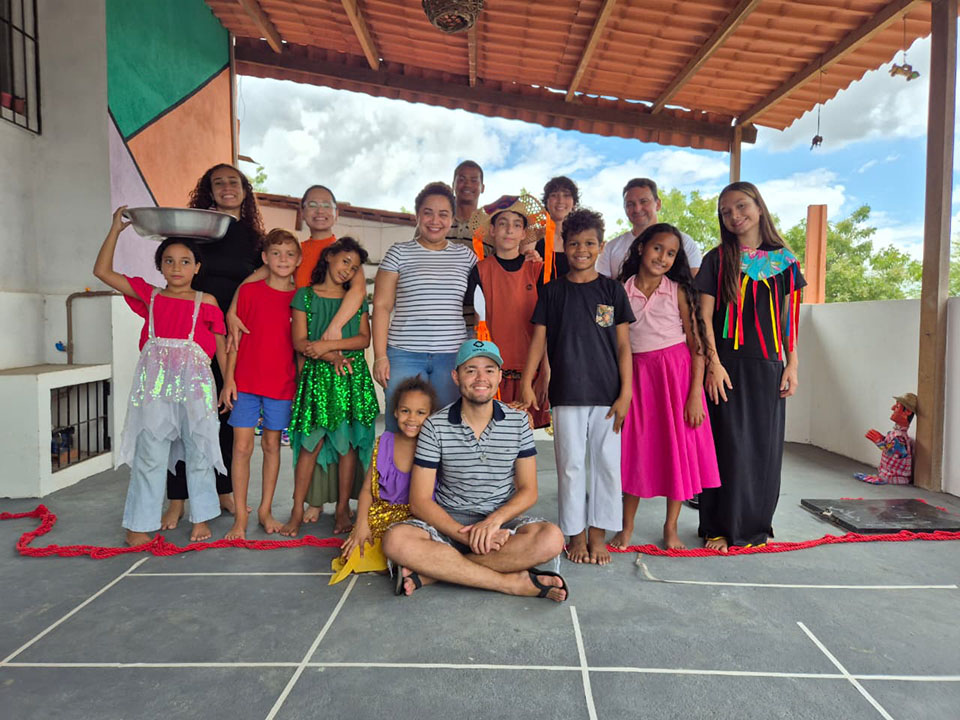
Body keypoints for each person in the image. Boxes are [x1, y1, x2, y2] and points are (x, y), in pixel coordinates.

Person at [382, 340, 568, 602]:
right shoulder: (435, 426)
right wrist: (468, 536)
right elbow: (420, 501)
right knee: (396, 541)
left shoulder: (518, 423)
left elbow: (529, 491)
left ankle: (436, 572)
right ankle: (509, 583)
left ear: (499, 376)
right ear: (456, 376)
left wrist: (493, 523)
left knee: (551, 539)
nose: (481, 378)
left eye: (489, 370)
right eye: (471, 370)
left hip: (501, 523)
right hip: (448, 523)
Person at [94, 207, 226, 545]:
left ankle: (201, 517)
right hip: (154, 386)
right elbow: (102, 271)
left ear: (197, 267)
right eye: (169, 261)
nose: (177, 268)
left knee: (199, 448)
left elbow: (222, 347)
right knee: (150, 450)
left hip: (197, 385)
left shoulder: (207, 301)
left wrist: (230, 384)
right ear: (160, 266)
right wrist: (115, 231)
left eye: (185, 261)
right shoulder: (150, 296)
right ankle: (138, 523)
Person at [519, 208, 634, 565]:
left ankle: (598, 534)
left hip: (607, 395)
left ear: (601, 246)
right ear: (564, 246)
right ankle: (576, 534)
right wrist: (526, 382)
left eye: (589, 244)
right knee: (570, 465)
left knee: (606, 464)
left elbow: (623, 346)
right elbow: (538, 341)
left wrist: (626, 393)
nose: (581, 250)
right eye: (573, 244)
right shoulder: (553, 291)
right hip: (567, 392)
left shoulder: (612, 291)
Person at [695, 181, 806, 552]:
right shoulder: (717, 259)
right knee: (726, 447)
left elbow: (789, 320)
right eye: (726, 211)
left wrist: (792, 364)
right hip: (726, 365)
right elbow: (703, 317)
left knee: (763, 449)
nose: (734, 216)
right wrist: (713, 363)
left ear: (759, 207)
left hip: (769, 366)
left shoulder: (785, 261)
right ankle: (718, 527)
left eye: (741, 206)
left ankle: (754, 528)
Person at [162, 163, 264, 530]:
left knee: (225, 412)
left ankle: (223, 489)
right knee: (180, 418)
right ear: (209, 190)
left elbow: (262, 277)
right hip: (191, 335)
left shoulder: (254, 238)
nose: (226, 187)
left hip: (235, 335)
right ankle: (177, 499)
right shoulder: (196, 230)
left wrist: (235, 309)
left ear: (245, 190)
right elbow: (173, 264)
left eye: (233, 182)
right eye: (218, 182)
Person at [611, 223, 721, 551]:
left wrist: (695, 395)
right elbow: (609, 339)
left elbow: (697, 345)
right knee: (636, 451)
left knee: (678, 451)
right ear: (641, 247)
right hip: (637, 377)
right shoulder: (618, 290)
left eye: (671, 253)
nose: (662, 257)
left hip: (677, 377)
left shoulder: (679, 291)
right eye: (657, 248)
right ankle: (626, 526)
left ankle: (670, 527)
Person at [282, 237, 379, 537]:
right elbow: (299, 342)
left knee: (347, 447)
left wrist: (328, 346)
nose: (348, 270)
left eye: (355, 267)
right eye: (345, 261)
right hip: (317, 380)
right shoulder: (305, 296)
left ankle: (341, 509)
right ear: (329, 257)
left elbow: (364, 339)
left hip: (350, 378)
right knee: (310, 445)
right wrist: (330, 355)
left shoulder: (356, 300)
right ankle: (297, 509)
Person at [372, 182, 477, 431]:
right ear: (417, 214)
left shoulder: (466, 257)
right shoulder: (398, 253)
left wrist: (529, 255)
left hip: (452, 356)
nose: (435, 220)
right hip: (403, 354)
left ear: (452, 219)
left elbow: (489, 293)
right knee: (401, 427)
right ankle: (394, 461)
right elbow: (382, 306)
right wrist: (380, 356)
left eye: (443, 214)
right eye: (428, 212)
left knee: (447, 428)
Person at [218, 229, 301, 539]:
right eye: (276, 253)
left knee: (271, 446)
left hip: (282, 383)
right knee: (241, 447)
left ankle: (265, 510)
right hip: (246, 382)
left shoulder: (300, 298)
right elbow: (234, 341)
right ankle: (241, 516)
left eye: (289, 254)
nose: (283, 259)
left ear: (298, 260)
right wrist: (228, 379)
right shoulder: (249, 293)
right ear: (265, 258)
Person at [330, 376, 438, 584]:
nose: (412, 419)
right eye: (405, 411)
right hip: (380, 516)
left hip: (416, 519)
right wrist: (361, 524)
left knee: (414, 545)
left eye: (420, 413)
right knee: (355, 554)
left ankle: (406, 563)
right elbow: (366, 490)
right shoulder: (385, 442)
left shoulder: (434, 446)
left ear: (431, 415)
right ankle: (402, 565)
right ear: (395, 412)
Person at [466, 194, 551, 427]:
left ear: (524, 233)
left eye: (516, 225)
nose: (509, 230)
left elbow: (547, 327)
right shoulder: (481, 270)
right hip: (493, 371)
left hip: (530, 371)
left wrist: (545, 372)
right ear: (492, 230)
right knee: (490, 432)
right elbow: (478, 325)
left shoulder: (537, 270)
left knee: (524, 434)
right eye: (502, 224)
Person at [596, 178, 702, 280]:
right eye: (630, 204)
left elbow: (695, 285)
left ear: (658, 204)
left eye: (644, 201)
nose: (637, 209)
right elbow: (601, 288)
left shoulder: (684, 242)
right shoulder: (611, 248)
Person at [521, 175, 579, 279]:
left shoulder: (580, 237)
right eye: (554, 195)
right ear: (546, 202)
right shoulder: (533, 235)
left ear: (574, 203)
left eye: (566, 195)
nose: (560, 200)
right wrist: (531, 263)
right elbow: (520, 273)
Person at [855, 393, 917, 485]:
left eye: (897, 407)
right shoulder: (896, 434)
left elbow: (897, 452)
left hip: (893, 477)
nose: (892, 408)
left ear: (907, 412)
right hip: (887, 475)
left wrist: (880, 442)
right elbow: (893, 446)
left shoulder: (900, 436)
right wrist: (883, 439)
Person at [446, 160, 490, 255]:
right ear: (453, 185)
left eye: (474, 180)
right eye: (462, 179)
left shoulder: (491, 227)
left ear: (482, 188)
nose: (467, 184)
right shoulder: (435, 222)